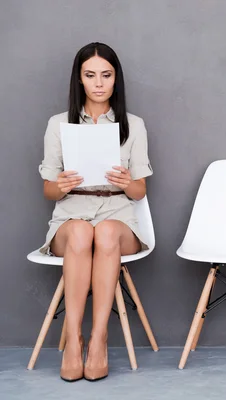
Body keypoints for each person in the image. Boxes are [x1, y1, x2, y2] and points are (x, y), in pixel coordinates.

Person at [38, 42, 153, 382]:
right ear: (79, 80)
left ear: (116, 80)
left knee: (102, 232)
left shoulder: (133, 125)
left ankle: (99, 338)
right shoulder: (58, 124)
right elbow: (47, 191)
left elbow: (140, 191)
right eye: (90, 75)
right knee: (81, 231)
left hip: (118, 215)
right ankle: (74, 339)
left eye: (106, 75)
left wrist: (126, 180)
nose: (99, 83)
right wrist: (60, 185)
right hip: (71, 215)